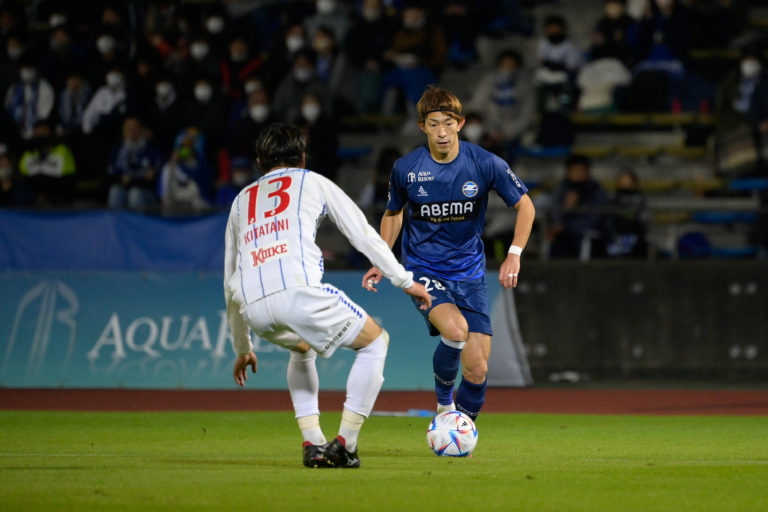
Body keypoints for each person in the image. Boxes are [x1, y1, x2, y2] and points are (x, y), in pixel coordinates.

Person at [225, 122, 431, 468]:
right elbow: (362, 234)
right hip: (298, 292)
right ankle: (346, 444)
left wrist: (242, 347)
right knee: (375, 343)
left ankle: (313, 443)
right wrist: (404, 280)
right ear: (303, 157)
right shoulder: (313, 181)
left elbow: (229, 277)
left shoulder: (240, 201)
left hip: (253, 307)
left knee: (301, 347)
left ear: (260, 162)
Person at [362, 86, 535, 421]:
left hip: (470, 274)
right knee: (455, 331)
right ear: (422, 126)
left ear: (461, 123)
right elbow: (394, 214)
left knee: (477, 369)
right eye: (433, 124)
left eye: (448, 123)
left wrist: (514, 253)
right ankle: (444, 409)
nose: (441, 132)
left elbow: (525, 206)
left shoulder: (485, 163)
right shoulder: (406, 169)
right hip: (424, 269)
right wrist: (381, 260)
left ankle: (460, 430)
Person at [547, 153, 611, 259]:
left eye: (580, 170)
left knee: (583, 241)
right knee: (553, 240)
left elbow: (597, 218)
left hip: (586, 234)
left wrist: (568, 226)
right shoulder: (562, 189)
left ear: (587, 172)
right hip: (564, 234)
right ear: (568, 172)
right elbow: (555, 216)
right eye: (574, 170)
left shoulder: (596, 190)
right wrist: (567, 208)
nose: (577, 174)